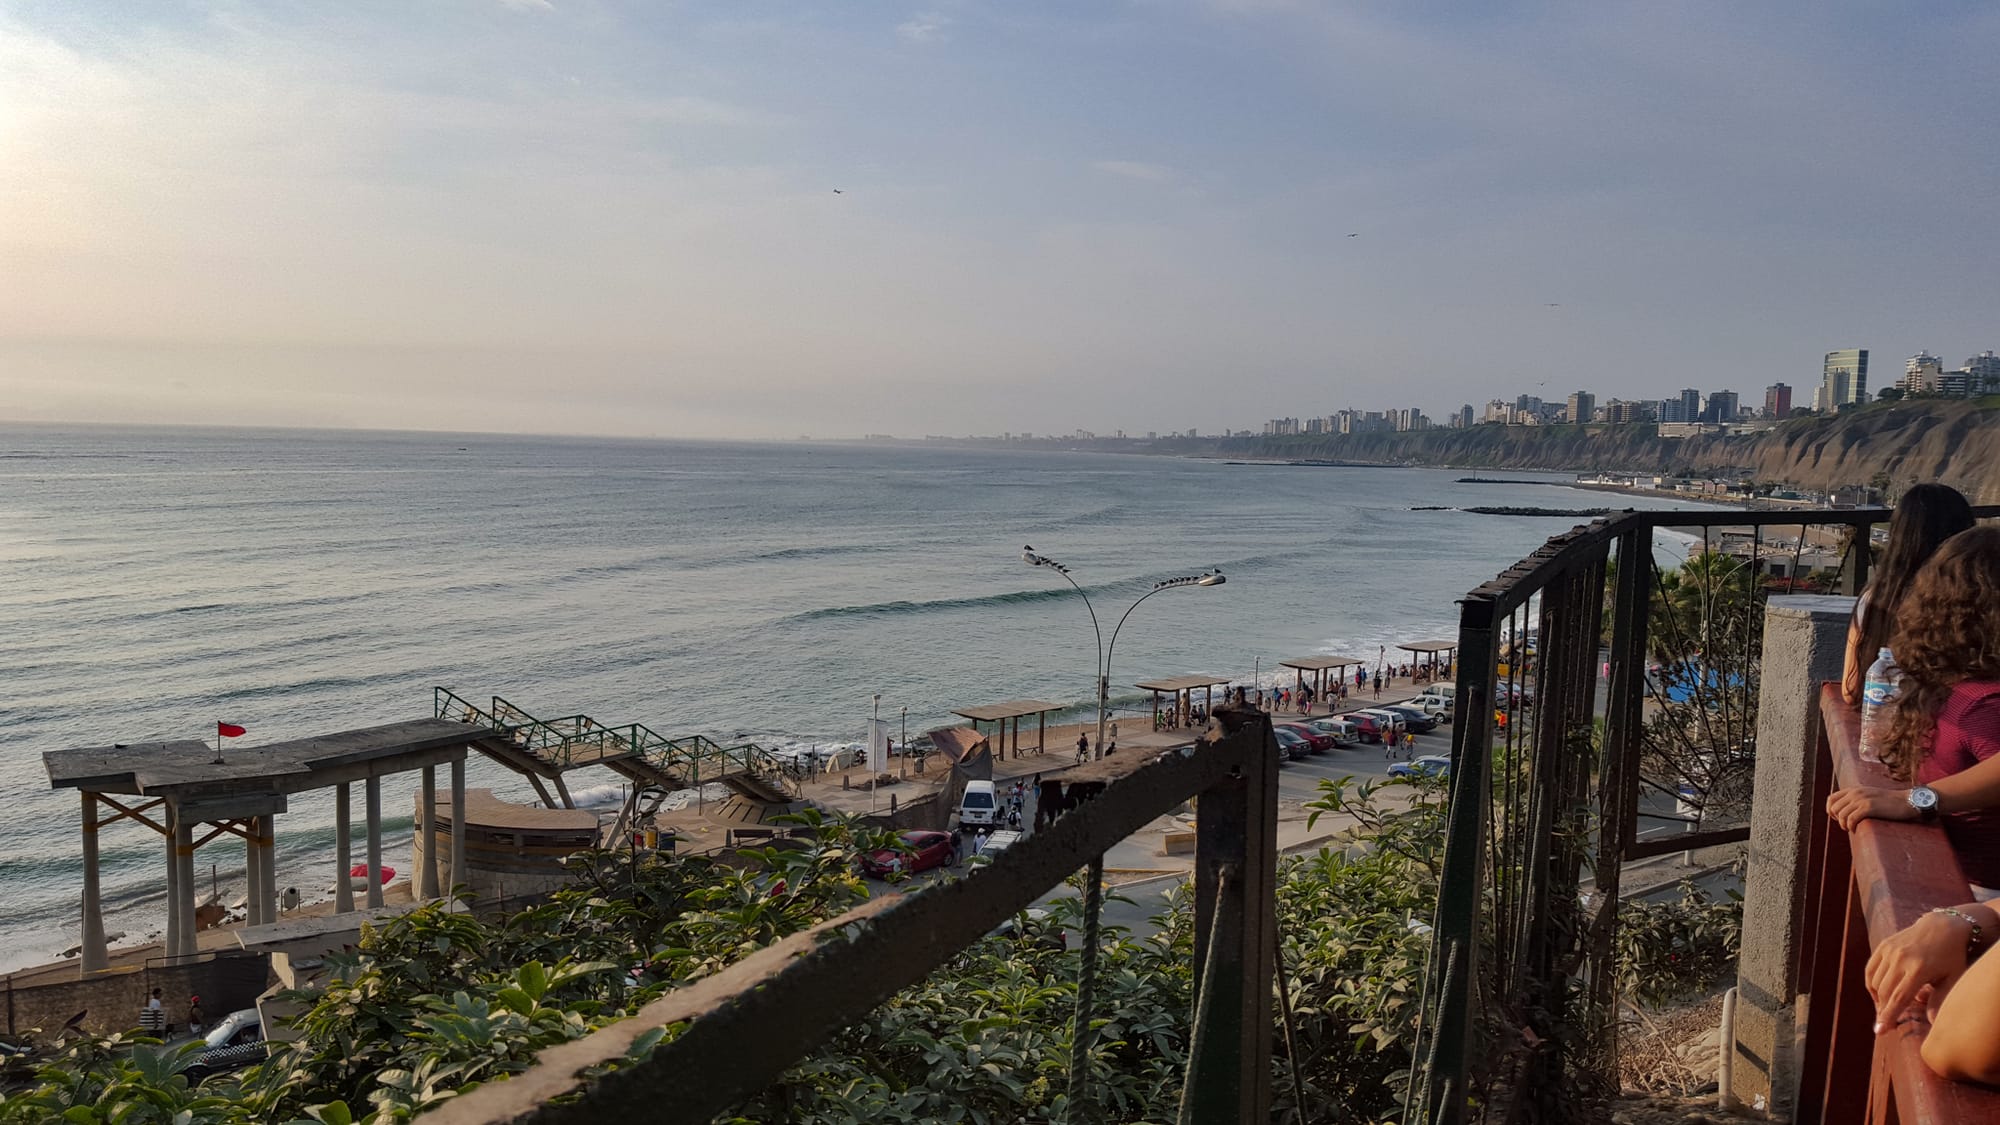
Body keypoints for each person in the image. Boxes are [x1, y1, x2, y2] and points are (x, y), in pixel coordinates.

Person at [1827, 527, 2000, 896]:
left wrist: (1915, 801)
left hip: (1976, 897)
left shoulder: (1980, 703)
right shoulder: (1966, 690)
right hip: (1959, 885)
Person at [1842, 483, 1975, 705]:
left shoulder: (1876, 599)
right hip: (1957, 719)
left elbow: (1850, 690)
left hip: (1885, 716)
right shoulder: (1974, 604)